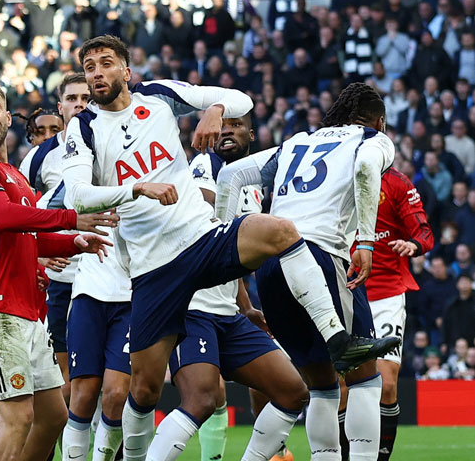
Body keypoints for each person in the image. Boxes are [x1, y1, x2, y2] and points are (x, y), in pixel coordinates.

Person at [60, 36, 396, 461]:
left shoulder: (159, 95)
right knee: (142, 390)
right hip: (153, 267)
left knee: (281, 232)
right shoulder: (84, 127)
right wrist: (136, 188)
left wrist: (216, 109)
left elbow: (239, 98)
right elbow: (77, 195)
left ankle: (337, 339)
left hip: (201, 239)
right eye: (89, 67)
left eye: (105, 63)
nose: (96, 74)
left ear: (126, 71)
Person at [216, 83, 398, 461]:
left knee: (321, 386)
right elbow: (365, 167)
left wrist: (220, 247)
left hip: (270, 269)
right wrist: (366, 241)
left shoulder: (296, 142)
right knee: (363, 378)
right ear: (379, 120)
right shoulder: (371, 139)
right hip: (320, 258)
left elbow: (230, 177)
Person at [0, 82, 115, 461]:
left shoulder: (16, 177)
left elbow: (25, 239)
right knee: (17, 416)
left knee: (53, 415)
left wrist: (71, 242)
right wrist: (72, 219)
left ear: (8, 118)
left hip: (23, 311)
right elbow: (5, 218)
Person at [179, 114, 308, 461]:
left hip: (228, 304)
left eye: (235, 125)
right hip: (191, 301)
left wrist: (246, 304)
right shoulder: (206, 164)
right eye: (221, 125)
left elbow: (234, 254)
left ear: (251, 133)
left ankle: (275, 449)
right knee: (196, 397)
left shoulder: (252, 183)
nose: (226, 131)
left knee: (275, 384)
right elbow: (209, 217)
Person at [20, 73, 132, 461]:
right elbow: (23, 210)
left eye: (86, 97)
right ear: (61, 105)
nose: (80, 103)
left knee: (117, 388)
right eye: (72, 98)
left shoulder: (118, 136)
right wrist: (37, 252)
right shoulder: (40, 156)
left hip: (113, 273)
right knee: (68, 387)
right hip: (62, 282)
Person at [352, 167, 433, 461]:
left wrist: (413, 244)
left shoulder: (397, 182)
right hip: (345, 292)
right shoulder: (336, 171)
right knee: (342, 389)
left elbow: (424, 232)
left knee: (386, 383)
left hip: (386, 294)